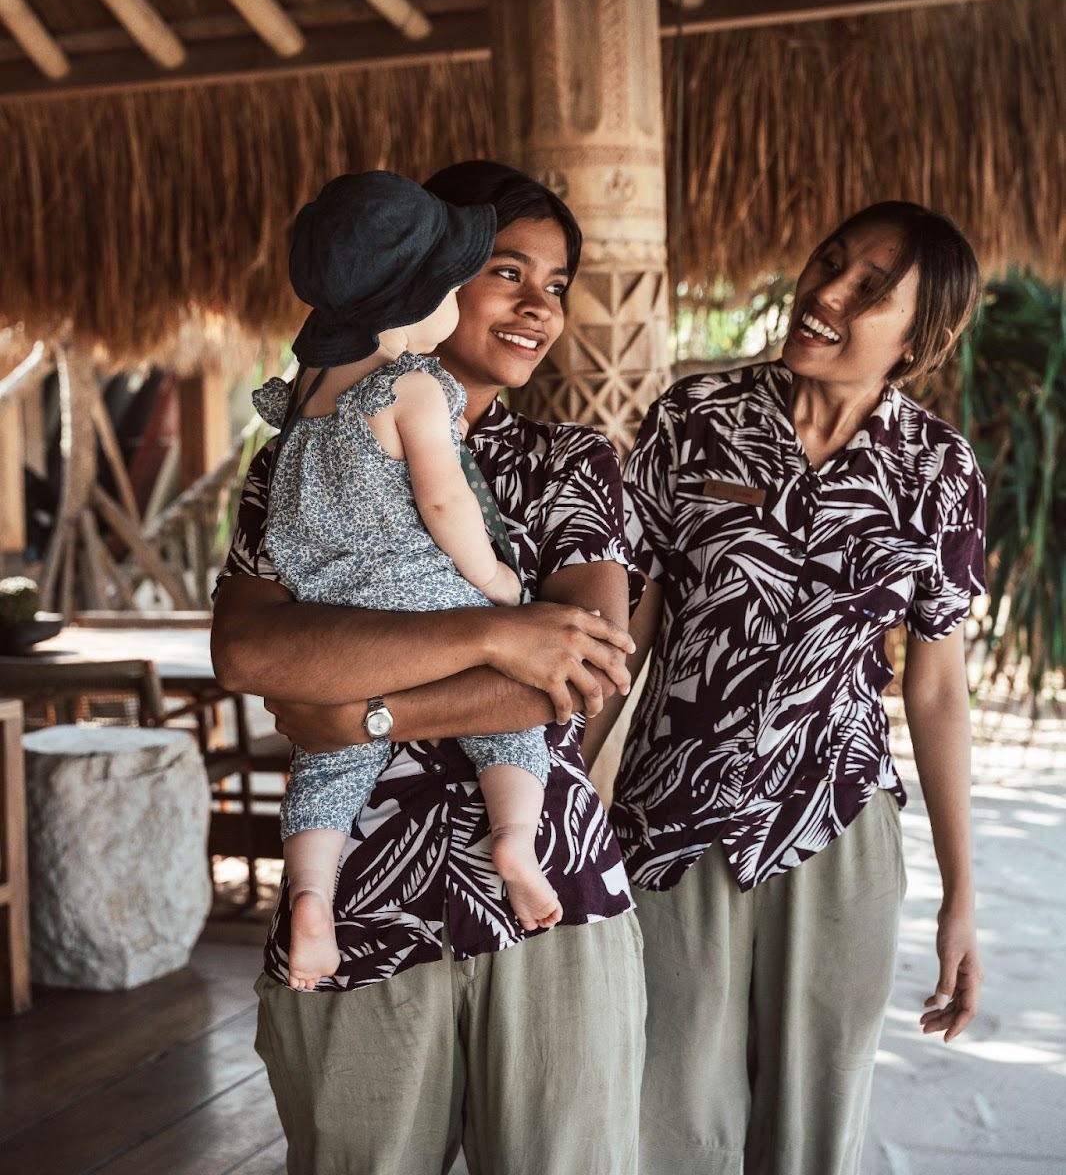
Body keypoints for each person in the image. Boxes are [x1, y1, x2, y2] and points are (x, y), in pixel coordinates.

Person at [211, 160, 646, 1175]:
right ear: (425, 282)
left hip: (552, 898)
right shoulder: (294, 451)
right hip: (357, 902)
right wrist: (494, 633)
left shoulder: (571, 462)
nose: (537, 304)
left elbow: (582, 670)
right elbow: (253, 651)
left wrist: (358, 713)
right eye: (505, 269)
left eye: (556, 281)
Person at [584, 200, 987, 1175]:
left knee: (812, 1124)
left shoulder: (937, 469)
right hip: (672, 819)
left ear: (919, 337)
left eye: (868, 292)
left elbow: (933, 688)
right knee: (663, 1114)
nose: (826, 294)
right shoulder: (695, 418)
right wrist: (561, 813)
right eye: (830, 264)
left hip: (836, 826)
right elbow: (617, 637)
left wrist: (960, 895)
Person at [254, 170, 563, 993]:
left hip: (334, 620)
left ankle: (312, 899)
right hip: (424, 596)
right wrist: (493, 581)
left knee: (324, 767)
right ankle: (514, 842)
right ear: (415, 301)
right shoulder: (415, 386)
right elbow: (443, 499)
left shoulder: (302, 400)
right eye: (459, 285)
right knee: (512, 725)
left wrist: (361, 706)